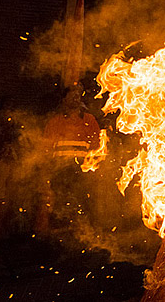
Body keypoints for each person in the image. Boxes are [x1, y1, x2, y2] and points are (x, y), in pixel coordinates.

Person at [36, 86, 100, 235]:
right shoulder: (55, 121)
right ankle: (61, 238)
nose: (76, 98)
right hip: (60, 171)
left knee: (82, 205)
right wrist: (45, 174)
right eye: (72, 95)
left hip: (82, 171)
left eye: (78, 95)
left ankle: (83, 238)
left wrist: (93, 169)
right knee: (61, 205)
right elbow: (46, 149)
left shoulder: (89, 120)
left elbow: (97, 146)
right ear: (64, 100)